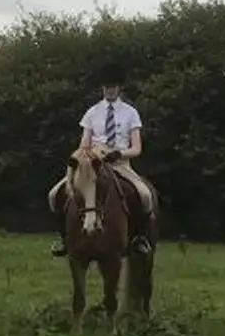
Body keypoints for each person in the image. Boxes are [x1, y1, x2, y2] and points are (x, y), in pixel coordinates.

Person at [47, 64, 156, 258]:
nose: (109, 90)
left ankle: (139, 238)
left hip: (120, 163)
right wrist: (84, 156)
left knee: (145, 195)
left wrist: (119, 154)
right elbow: (84, 144)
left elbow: (137, 148)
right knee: (54, 194)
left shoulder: (131, 113)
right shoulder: (92, 113)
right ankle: (63, 238)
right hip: (93, 164)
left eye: (112, 87)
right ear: (102, 88)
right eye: (106, 87)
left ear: (119, 88)